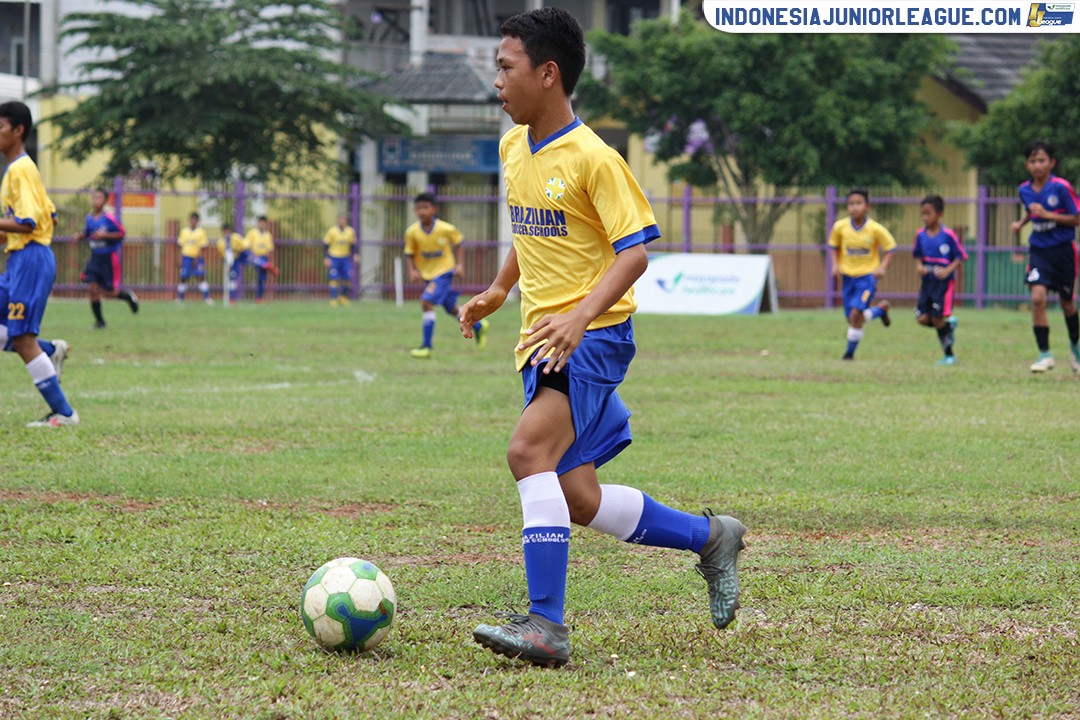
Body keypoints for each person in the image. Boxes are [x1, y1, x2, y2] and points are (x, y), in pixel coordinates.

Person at [457, 7, 746, 668]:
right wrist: (502, 289)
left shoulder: (594, 157)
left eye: (505, 68)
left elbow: (635, 253)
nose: (496, 82)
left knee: (528, 451)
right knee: (578, 497)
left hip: (592, 337)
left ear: (547, 73)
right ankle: (711, 537)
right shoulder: (512, 147)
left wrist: (580, 316)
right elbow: (532, 233)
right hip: (544, 339)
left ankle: (546, 626)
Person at [0, 101, 79, 426]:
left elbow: (30, 222)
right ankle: (50, 350)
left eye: (0, 127)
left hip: (31, 259)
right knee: (20, 335)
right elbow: (51, 216)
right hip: (21, 259)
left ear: (18, 131)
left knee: (22, 338)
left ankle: (64, 413)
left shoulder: (20, 169)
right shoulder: (19, 170)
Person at [1010, 140, 1080, 373]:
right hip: (1039, 250)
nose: (1037, 165)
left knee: (1067, 303)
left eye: (1042, 160)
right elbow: (1032, 210)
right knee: (1037, 298)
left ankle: (1076, 349)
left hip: (1063, 251)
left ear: (1051, 163)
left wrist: (1049, 214)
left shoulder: (1061, 187)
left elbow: (1076, 217)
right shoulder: (1024, 189)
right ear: (1026, 164)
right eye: (1032, 161)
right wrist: (1021, 223)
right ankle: (1045, 354)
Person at [405, 192, 487, 357]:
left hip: (444, 272)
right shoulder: (412, 232)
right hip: (427, 276)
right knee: (451, 309)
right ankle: (479, 326)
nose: (422, 211)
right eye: (419, 208)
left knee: (426, 302)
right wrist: (412, 270)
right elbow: (409, 253)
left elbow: (459, 242)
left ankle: (426, 347)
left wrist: (460, 264)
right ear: (415, 210)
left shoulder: (445, 228)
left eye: (425, 207)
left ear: (434, 209)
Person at [828, 188, 896, 360]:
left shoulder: (875, 229)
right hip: (848, 278)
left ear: (867, 206)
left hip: (867, 278)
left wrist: (882, 267)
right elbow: (833, 246)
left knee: (856, 314)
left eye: (858, 203)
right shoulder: (840, 227)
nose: (854, 207)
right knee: (851, 319)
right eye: (851, 204)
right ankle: (880, 310)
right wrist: (835, 264)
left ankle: (848, 355)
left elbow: (890, 247)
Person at [913, 195, 967, 366]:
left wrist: (948, 270)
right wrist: (919, 266)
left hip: (944, 284)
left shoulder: (948, 235)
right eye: (923, 214)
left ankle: (949, 355)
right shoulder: (920, 235)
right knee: (921, 318)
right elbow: (917, 256)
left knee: (937, 319)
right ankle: (948, 327)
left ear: (940, 213)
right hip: (927, 282)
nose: (925, 217)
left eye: (929, 213)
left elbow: (960, 256)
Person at [75, 188, 138, 328]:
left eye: (99, 198)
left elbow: (121, 233)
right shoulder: (89, 218)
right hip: (95, 257)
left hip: (108, 258)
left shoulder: (109, 219)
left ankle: (127, 296)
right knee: (92, 288)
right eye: (94, 197)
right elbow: (88, 232)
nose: (95, 200)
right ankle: (100, 321)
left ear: (105, 201)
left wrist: (105, 235)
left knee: (109, 292)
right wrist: (81, 236)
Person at [177, 211, 211, 304]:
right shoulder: (184, 231)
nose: (193, 221)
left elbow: (203, 247)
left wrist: (199, 258)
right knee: (183, 277)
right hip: (186, 257)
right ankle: (180, 298)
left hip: (197, 257)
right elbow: (181, 246)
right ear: (189, 220)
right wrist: (180, 258)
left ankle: (206, 298)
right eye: (192, 219)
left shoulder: (201, 232)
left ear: (198, 221)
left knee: (200, 276)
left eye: (195, 219)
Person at [324, 213, 357, 306]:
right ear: (338, 220)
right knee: (334, 279)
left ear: (346, 221)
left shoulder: (350, 231)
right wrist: (326, 258)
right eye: (341, 219)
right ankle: (333, 299)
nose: (342, 221)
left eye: (344, 219)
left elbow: (353, 245)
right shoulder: (332, 231)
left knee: (348, 278)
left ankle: (343, 297)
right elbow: (325, 245)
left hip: (345, 257)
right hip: (334, 257)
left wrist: (355, 254)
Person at [244, 215, 279, 304]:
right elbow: (246, 245)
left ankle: (259, 298)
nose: (262, 224)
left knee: (261, 279)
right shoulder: (252, 233)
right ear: (258, 223)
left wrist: (270, 260)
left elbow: (270, 250)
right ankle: (270, 267)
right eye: (261, 222)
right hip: (253, 256)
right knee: (260, 263)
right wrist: (250, 254)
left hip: (264, 257)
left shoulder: (268, 235)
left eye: (264, 223)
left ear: (266, 224)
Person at [218, 222, 250, 304]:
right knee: (230, 278)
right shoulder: (221, 242)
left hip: (238, 258)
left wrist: (239, 252)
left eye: (228, 231)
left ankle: (233, 298)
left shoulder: (236, 238)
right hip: (228, 261)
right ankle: (232, 298)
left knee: (233, 277)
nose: (227, 233)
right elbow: (222, 255)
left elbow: (244, 247)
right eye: (225, 231)